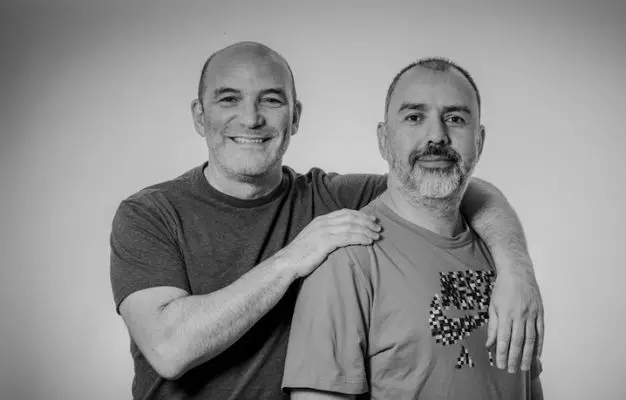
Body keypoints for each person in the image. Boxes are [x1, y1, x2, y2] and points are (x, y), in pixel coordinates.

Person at [110, 42, 543, 399]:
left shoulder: (331, 197)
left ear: (295, 116)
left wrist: (517, 270)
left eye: (271, 100)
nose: (251, 118)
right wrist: (291, 259)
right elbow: (168, 348)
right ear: (199, 115)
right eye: (228, 99)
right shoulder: (150, 215)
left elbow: (454, 182)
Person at [282, 58, 543, 399]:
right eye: (414, 117)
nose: (437, 135)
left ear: (479, 141)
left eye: (455, 118)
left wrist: (518, 267)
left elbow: (526, 385)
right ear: (383, 139)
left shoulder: (505, 258)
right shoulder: (347, 264)